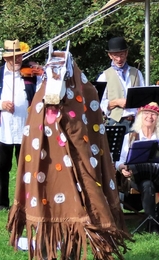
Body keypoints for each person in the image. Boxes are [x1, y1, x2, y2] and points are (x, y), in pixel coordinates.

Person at [7, 47, 131, 260]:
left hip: (78, 166)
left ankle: (72, 254)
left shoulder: (87, 92)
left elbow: (91, 134)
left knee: (76, 214)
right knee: (45, 215)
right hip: (45, 168)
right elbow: (32, 139)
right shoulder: (41, 94)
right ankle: (45, 254)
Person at [116, 102, 159, 232]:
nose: (149, 117)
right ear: (140, 117)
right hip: (136, 178)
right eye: (146, 113)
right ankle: (151, 224)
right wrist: (122, 167)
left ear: (157, 119)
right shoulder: (130, 137)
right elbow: (119, 159)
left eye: (153, 114)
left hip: (158, 175)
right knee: (147, 185)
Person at [0, 39, 42, 210]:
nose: (17, 60)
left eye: (20, 56)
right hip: (4, 128)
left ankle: (26, 201)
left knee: (26, 167)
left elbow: (41, 93)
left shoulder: (30, 74)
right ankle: (2, 202)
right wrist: (1, 104)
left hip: (26, 127)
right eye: (13, 58)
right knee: (2, 166)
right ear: (6, 59)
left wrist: (43, 73)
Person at [97, 36, 145, 132]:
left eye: (122, 55)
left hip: (135, 123)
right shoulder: (104, 76)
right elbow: (99, 103)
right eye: (116, 56)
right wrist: (116, 102)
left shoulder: (136, 73)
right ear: (110, 55)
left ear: (126, 53)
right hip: (115, 122)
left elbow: (144, 97)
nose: (119, 59)